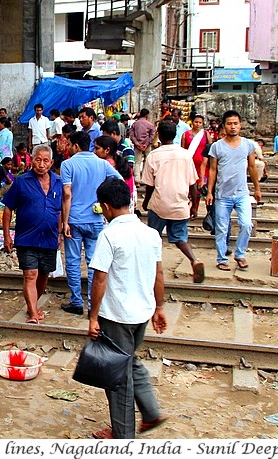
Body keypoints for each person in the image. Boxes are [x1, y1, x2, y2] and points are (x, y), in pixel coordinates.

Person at [88, 177, 168, 440]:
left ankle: (123, 435)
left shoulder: (109, 234)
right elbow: (158, 274)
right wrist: (159, 307)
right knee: (129, 360)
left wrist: (92, 316)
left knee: (118, 377)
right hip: (142, 313)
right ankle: (151, 412)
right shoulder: (150, 233)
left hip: (116, 315)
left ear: (107, 207)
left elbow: (100, 278)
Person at [60, 130, 122, 315]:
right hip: (95, 218)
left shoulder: (67, 164)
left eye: (69, 144)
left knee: (72, 261)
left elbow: (67, 194)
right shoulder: (101, 164)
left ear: (76, 146)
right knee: (94, 262)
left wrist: (64, 222)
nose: (68, 148)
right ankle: (93, 304)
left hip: (74, 219)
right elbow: (118, 180)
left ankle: (76, 301)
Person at [1, 144, 63, 324]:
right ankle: (33, 311)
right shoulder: (21, 181)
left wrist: (59, 232)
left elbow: (59, 211)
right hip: (26, 237)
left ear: (51, 163)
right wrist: (6, 236)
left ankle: (33, 304)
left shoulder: (58, 183)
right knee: (30, 274)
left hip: (50, 237)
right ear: (31, 160)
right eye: (37, 159)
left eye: (45, 161)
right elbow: (7, 209)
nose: (41, 164)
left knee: (44, 274)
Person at [140, 121, 205, 283]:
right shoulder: (185, 155)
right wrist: (194, 206)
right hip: (180, 204)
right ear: (175, 135)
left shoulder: (154, 156)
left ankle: (151, 270)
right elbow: (192, 184)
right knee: (180, 238)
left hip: (159, 203)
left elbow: (149, 185)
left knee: (153, 238)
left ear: (159, 135)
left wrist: (146, 202)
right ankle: (194, 260)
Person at [206, 110, 262, 272]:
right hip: (222, 195)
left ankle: (240, 253)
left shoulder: (248, 145)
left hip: (242, 194)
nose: (233, 127)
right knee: (222, 228)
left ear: (240, 125)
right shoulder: (217, 147)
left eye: (235, 123)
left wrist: (257, 188)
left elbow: (252, 167)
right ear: (224, 126)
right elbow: (212, 170)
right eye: (229, 124)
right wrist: (209, 192)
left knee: (246, 224)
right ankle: (222, 259)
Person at [181, 114, 212, 217]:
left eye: (200, 123)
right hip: (190, 163)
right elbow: (183, 149)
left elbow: (210, 148)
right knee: (189, 187)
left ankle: (196, 209)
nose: (198, 124)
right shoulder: (186, 134)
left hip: (202, 165)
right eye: (196, 122)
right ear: (192, 122)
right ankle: (187, 209)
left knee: (200, 187)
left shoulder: (205, 134)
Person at [93, 135, 134, 210]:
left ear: (107, 150)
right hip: (125, 205)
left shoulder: (104, 166)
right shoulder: (123, 163)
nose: (94, 152)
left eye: (97, 148)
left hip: (111, 207)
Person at [129, 108, 155, 183]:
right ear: (147, 115)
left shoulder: (135, 124)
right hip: (147, 145)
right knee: (147, 161)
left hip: (137, 146)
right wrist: (146, 144)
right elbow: (152, 136)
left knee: (137, 162)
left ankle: (137, 179)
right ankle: (144, 178)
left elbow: (132, 135)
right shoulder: (150, 125)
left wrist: (137, 144)